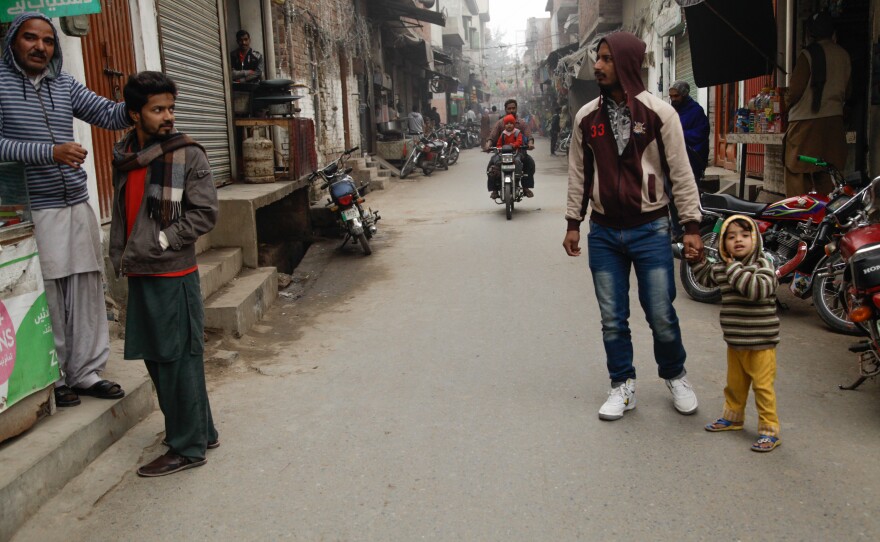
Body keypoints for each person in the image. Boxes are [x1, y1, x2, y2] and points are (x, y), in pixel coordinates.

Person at [562, 32, 703, 421]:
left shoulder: (660, 114)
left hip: (651, 228)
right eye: (598, 58)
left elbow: (681, 172)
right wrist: (573, 222)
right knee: (612, 317)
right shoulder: (586, 117)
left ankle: (675, 375)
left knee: (660, 311)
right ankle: (622, 385)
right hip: (604, 233)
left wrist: (691, 225)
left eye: (606, 59)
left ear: (625, 62)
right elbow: (578, 173)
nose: (598, 66)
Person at [0, 12, 131, 407]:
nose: (40, 47)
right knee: (50, 295)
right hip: (31, 208)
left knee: (87, 287)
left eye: (48, 40)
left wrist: (142, 101)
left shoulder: (64, 83)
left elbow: (108, 114)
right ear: (13, 42)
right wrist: (49, 153)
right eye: (30, 38)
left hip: (76, 200)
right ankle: (54, 377)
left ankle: (86, 372)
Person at [109, 71, 220, 477]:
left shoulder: (187, 153)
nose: (168, 117)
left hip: (171, 272)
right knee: (161, 359)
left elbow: (205, 213)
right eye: (158, 110)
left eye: (171, 108)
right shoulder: (126, 155)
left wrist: (162, 240)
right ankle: (200, 431)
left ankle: (187, 447)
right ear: (135, 114)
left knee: (176, 360)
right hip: (141, 270)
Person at [688, 215, 781, 452]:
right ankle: (733, 418)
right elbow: (706, 278)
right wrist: (698, 260)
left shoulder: (764, 265)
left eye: (744, 235)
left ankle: (769, 430)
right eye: (730, 237)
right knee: (735, 385)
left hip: (762, 343)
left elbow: (756, 290)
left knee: (763, 388)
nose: (738, 240)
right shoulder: (723, 267)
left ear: (755, 239)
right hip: (736, 341)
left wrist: (733, 267)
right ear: (723, 244)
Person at [784, 11, 850, 197]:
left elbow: (795, 92)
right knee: (827, 172)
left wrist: (785, 103)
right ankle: (827, 217)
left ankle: (798, 219)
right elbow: (849, 90)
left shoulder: (808, 55)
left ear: (810, 33)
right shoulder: (843, 55)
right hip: (834, 123)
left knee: (798, 171)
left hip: (805, 123)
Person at [668, 80, 710, 238]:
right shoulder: (672, 110)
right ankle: (677, 230)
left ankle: (693, 229)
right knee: (672, 195)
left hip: (691, 160)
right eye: (671, 96)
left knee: (690, 195)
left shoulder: (696, 111)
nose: (673, 99)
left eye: (676, 96)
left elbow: (700, 134)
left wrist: (678, 135)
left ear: (685, 95)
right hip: (673, 160)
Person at [487, 99, 535, 198]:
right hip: (502, 153)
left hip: (519, 152)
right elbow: (492, 136)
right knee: (491, 167)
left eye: (513, 108)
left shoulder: (521, 123)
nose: (511, 110)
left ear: (516, 109)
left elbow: (529, 135)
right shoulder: (500, 123)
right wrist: (488, 145)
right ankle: (495, 190)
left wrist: (530, 144)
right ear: (505, 110)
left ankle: (525, 187)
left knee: (530, 163)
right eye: (509, 108)